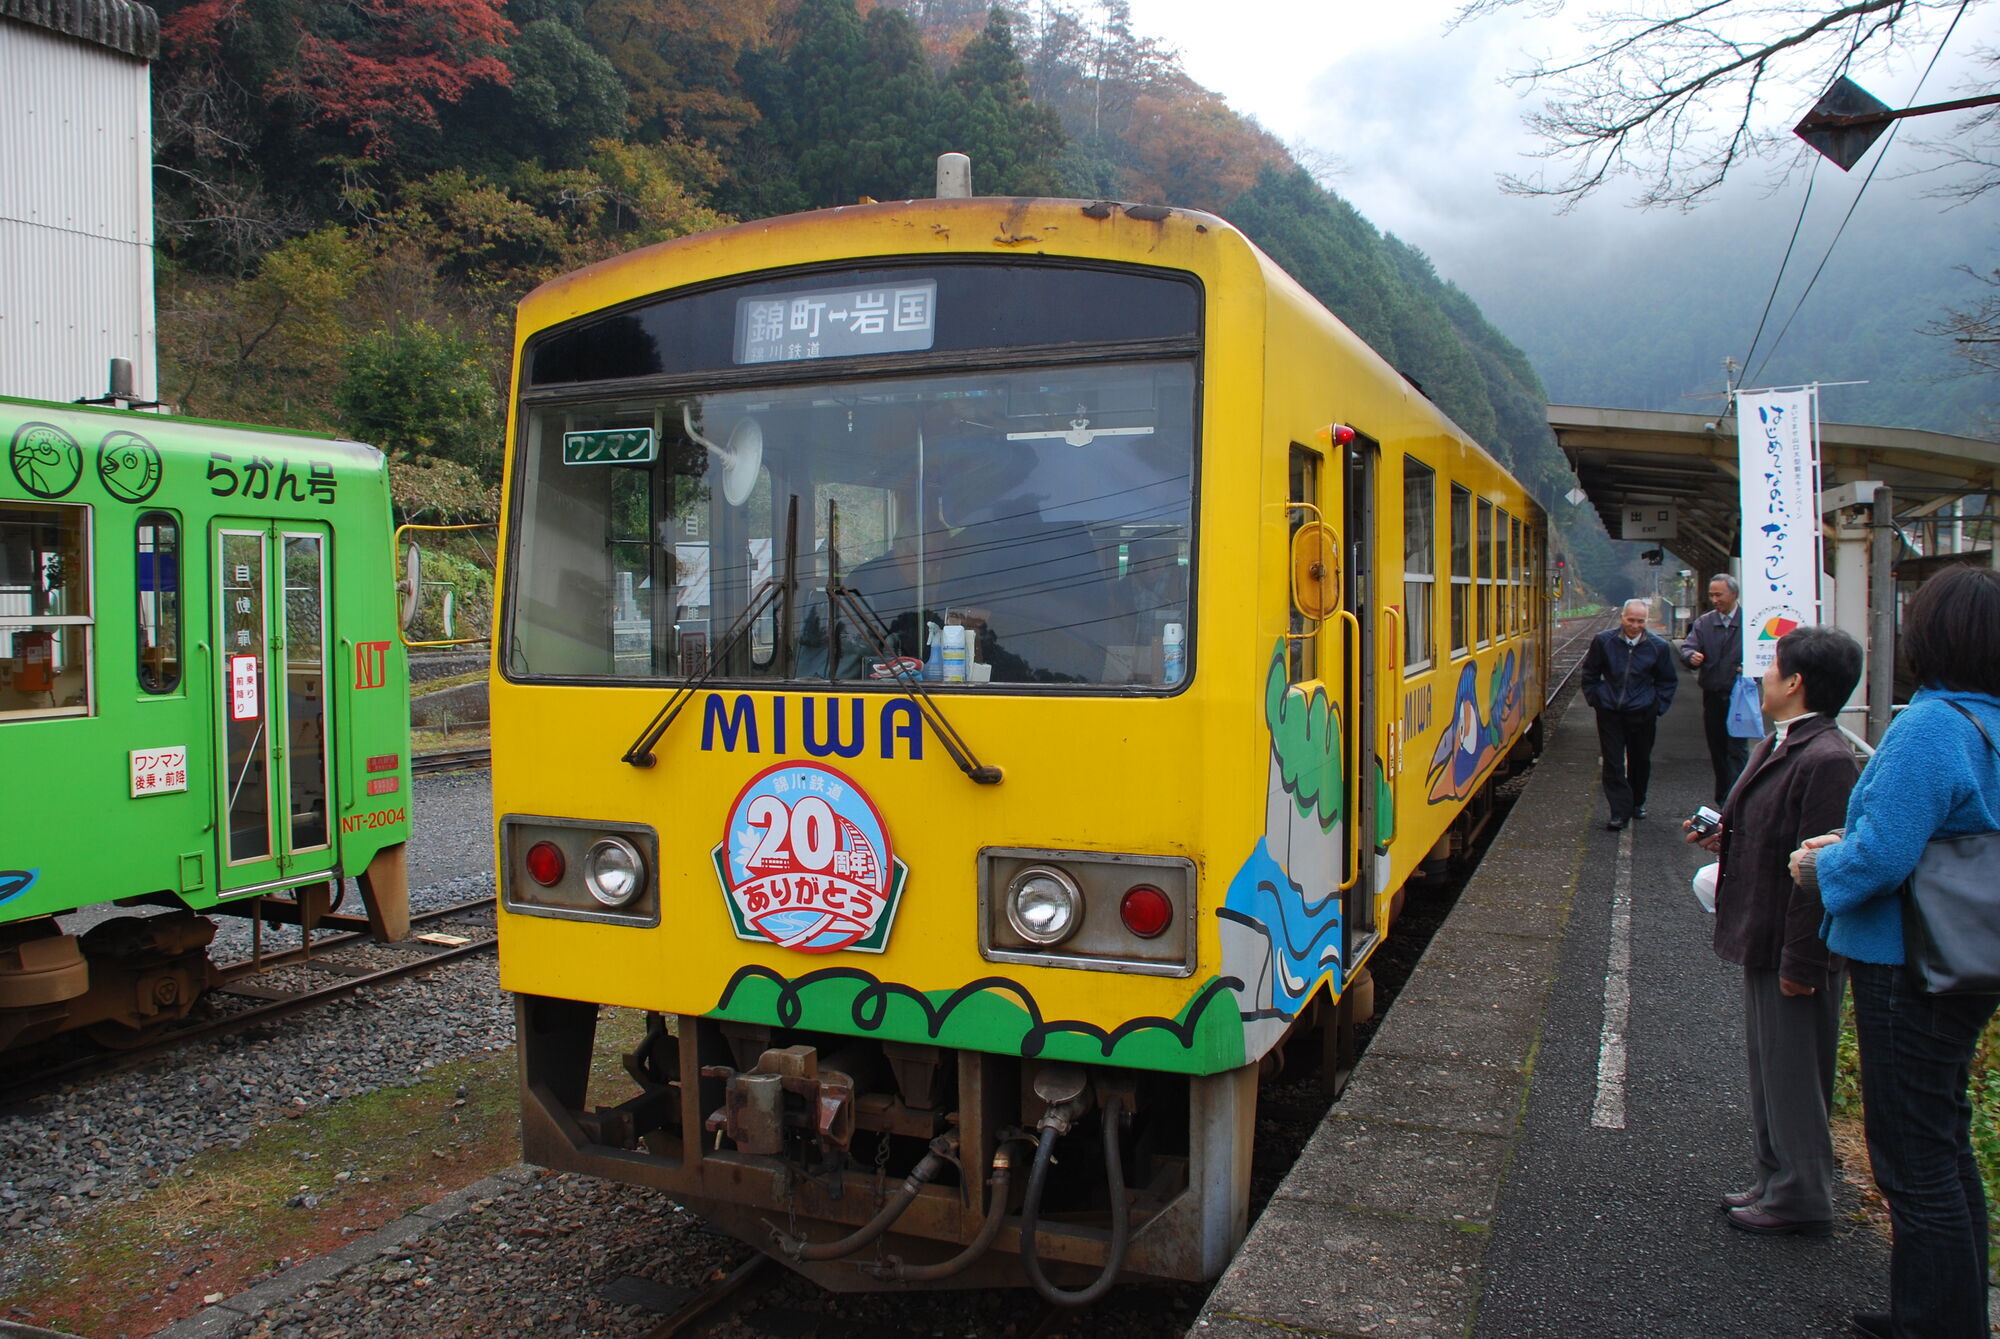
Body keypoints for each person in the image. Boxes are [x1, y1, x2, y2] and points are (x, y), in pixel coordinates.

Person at [1790, 565, 2000, 1339]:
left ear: (1931, 636)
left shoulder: (1931, 723)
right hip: (1971, 955)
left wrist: (1817, 866)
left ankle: (1932, 1326)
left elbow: (1880, 860)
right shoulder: (1993, 724)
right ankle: (1947, 1313)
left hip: (1905, 962)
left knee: (1911, 1162)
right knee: (1944, 1141)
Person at [1684, 625, 1862, 1237]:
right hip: (1762, 928)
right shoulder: (1787, 742)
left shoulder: (1828, 759)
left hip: (1791, 941)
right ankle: (1775, 1177)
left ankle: (1802, 1194)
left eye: (1772, 667)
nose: (1761, 675)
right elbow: (1772, 829)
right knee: (1770, 1065)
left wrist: (1802, 963)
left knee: (1793, 1072)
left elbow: (1820, 876)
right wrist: (1721, 835)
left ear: (1796, 682)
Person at [1580, 598, 1679, 830]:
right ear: (1622, 617)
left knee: (1640, 759)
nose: (1635, 625)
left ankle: (1637, 801)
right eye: (1631, 620)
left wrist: (1657, 706)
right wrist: (1596, 698)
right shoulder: (1604, 641)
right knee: (1613, 762)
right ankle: (1619, 811)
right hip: (1610, 712)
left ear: (1647, 621)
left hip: (1643, 713)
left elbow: (1667, 681)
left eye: (1640, 621)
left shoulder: (1658, 647)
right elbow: (1590, 673)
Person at [1681, 572, 1750, 804]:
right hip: (1712, 695)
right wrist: (1692, 656)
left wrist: (1751, 672)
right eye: (1711, 595)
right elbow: (1687, 647)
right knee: (1718, 750)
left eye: (1718, 594)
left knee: (1738, 750)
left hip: (1740, 696)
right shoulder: (1704, 622)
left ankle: (1738, 800)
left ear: (1733, 594)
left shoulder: (1749, 621)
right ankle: (1724, 799)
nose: (1714, 599)